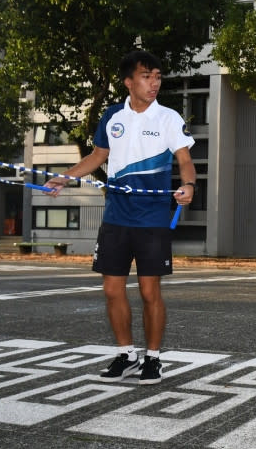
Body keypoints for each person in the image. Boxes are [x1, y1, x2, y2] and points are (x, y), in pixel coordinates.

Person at [44, 50, 197, 385]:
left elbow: (185, 160)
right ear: (129, 82)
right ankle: (127, 354)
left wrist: (188, 184)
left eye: (157, 76)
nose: (153, 83)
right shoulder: (112, 116)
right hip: (116, 216)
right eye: (146, 76)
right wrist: (64, 177)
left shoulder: (168, 118)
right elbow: (98, 156)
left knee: (148, 291)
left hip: (153, 219)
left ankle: (153, 359)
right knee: (112, 290)